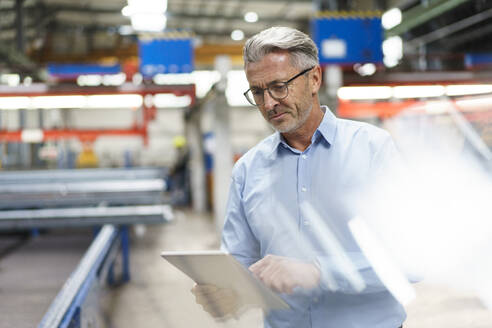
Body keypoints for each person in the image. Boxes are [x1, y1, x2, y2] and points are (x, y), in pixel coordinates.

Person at [192, 26, 405, 328]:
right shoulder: (248, 169)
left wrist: (319, 271)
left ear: (314, 78)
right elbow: (239, 263)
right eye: (257, 92)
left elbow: (410, 260)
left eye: (279, 86)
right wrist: (225, 295)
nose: (268, 104)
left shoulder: (372, 149)